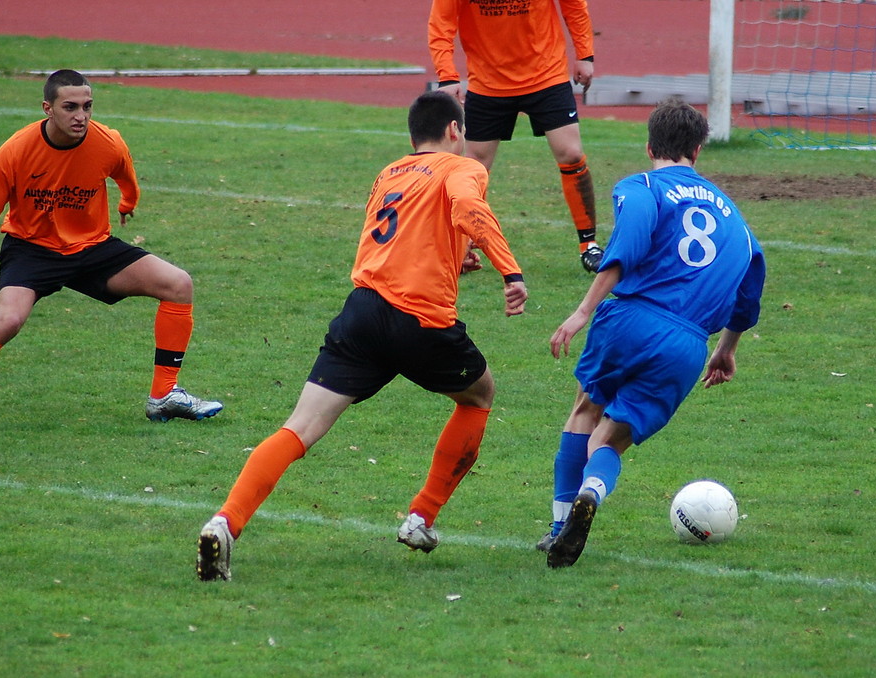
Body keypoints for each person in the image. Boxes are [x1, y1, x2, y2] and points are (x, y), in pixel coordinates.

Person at [196, 91, 528, 582]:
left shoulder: (390, 173)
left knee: (300, 426)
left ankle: (225, 522)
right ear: (455, 131)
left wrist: (456, 254)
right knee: (479, 395)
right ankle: (421, 517)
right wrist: (510, 272)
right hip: (419, 321)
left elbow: (401, 236)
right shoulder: (466, 167)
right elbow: (466, 209)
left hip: (363, 312)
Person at [0, 69, 222, 432]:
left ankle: (163, 396)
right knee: (8, 320)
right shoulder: (15, 152)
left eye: (88, 106)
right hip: (32, 250)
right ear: (48, 108)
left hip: (92, 248)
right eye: (70, 107)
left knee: (178, 284)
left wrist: (128, 203)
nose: (81, 116)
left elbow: (126, 175)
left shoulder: (107, 143)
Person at [538, 98, 766, 568]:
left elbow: (625, 249)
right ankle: (592, 495)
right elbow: (749, 291)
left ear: (648, 147)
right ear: (698, 151)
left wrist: (582, 311)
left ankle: (561, 524)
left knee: (585, 410)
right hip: (687, 345)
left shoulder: (642, 187)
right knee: (611, 440)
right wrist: (726, 350)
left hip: (630, 320)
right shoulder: (736, 220)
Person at [428, 0, 605, 273]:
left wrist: (585, 54)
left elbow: (574, 5)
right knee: (474, 167)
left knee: (570, 153)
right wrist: (447, 76)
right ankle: (460, 247)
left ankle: (589, 246)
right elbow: (441, 22)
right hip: (488, 82)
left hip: (547, 75)